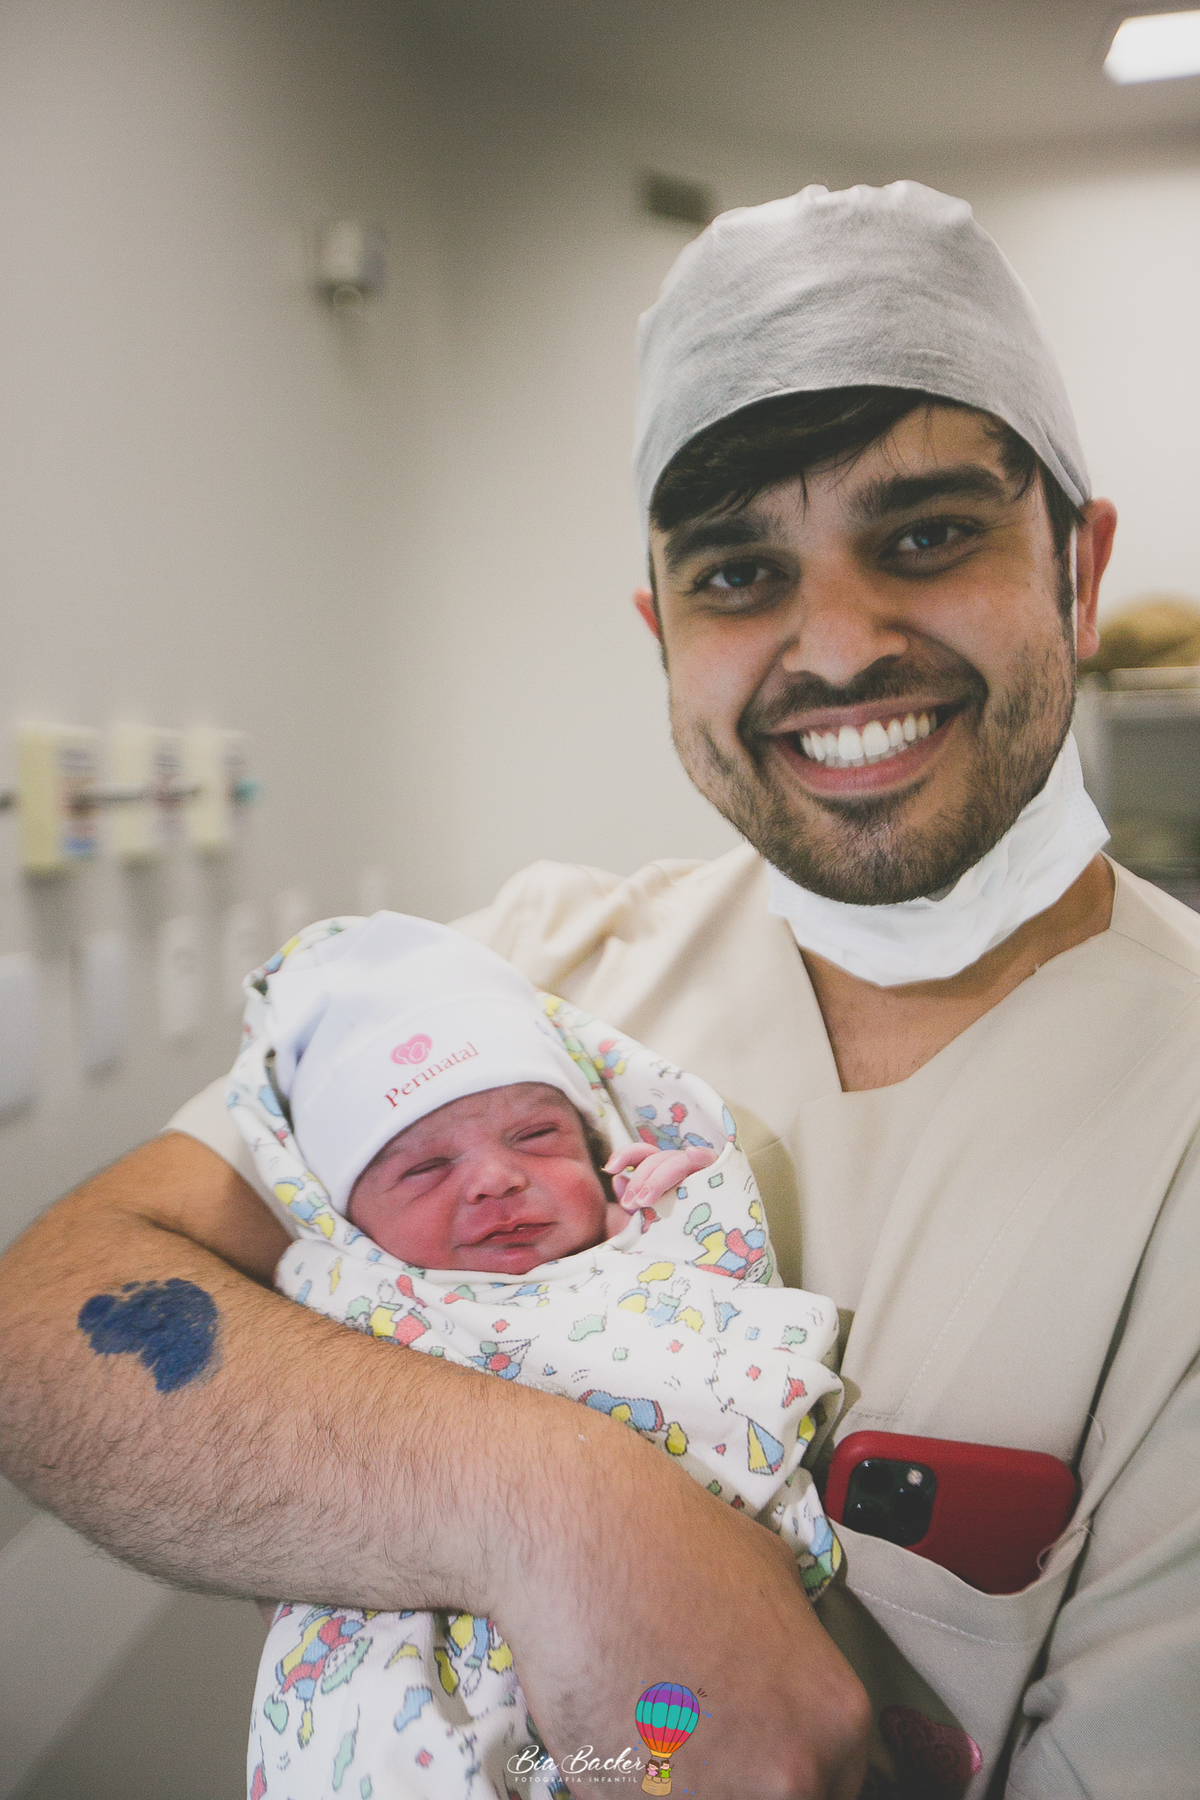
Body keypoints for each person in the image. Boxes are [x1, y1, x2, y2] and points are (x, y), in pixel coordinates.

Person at [2, 179, 1198, 1797]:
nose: (835, 648)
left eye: (925, 535)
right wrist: (564, 1512)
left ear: (1079, 564)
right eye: (736, 575)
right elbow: (49, 1320)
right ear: (657, 630)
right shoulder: (516, 975)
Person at [232, 910, 843, 1797]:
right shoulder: (341, 1303)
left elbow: (741, 1325)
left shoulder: (647, 1244)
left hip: (690, 1640)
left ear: (597, 1144)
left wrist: (691, 1207)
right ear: (343, 1221)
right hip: (427, 1666)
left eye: (535, 1136)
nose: (494, 1177)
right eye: (423, 1168)